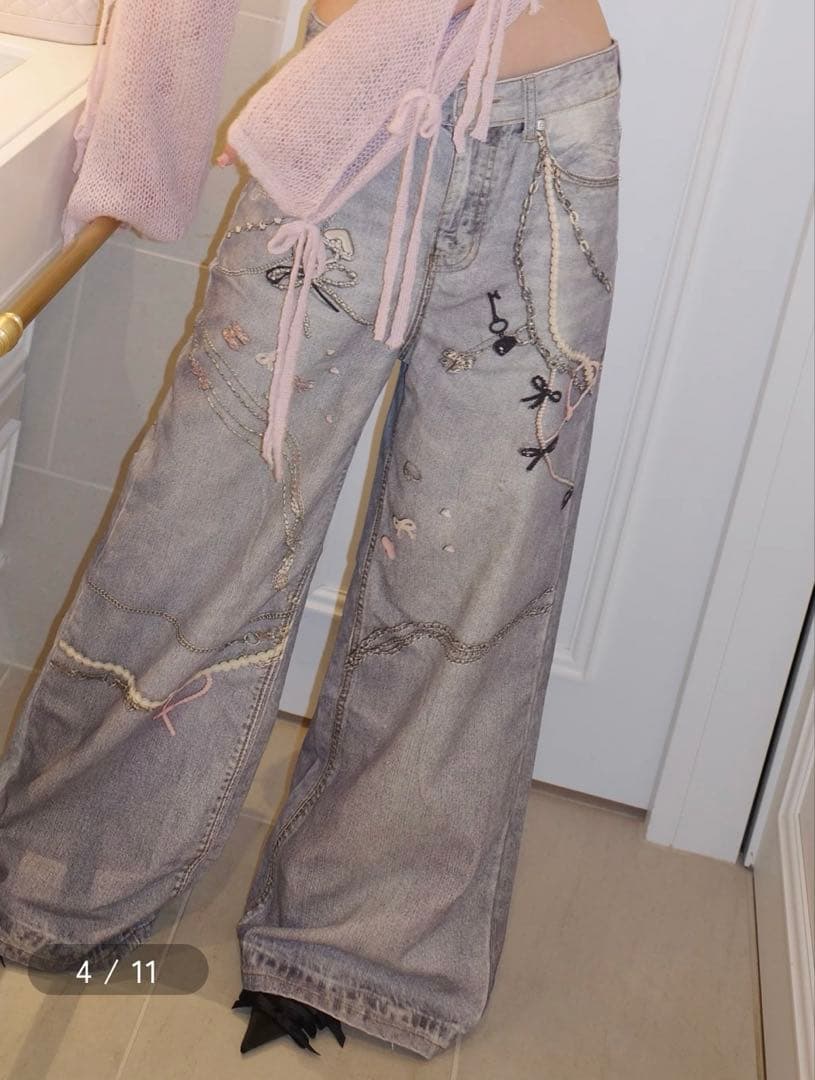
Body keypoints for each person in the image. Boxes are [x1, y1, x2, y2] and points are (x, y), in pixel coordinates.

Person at [0, 0, 622, 1061]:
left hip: (553, 145)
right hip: (346, 135)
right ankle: (60, 875)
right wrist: (145, 147)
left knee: (470, 581)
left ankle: (366, 950)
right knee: (195, 521)